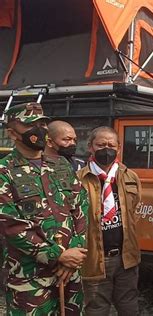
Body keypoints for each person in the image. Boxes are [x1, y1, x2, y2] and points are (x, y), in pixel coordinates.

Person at [0, 102, 88, 314]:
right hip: (29, 278)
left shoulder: (61, 165)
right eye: (32, 125)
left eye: (42, 124)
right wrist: (57, 255)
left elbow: (80, 207)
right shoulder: (5, 172)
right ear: (13, 134)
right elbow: (10, 225)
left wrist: (74, 253)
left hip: (69, 273)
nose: (40, 130)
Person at [77, 126, 142, 315]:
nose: (107, 149)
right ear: (90, 147)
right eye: (101, 144)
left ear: (119, 148)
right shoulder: (79, 180)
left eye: (111, 145)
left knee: (129, 307)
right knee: (96, 308)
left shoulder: (130, 176)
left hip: (126, 257)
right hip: (95, 258)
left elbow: (135, 209)